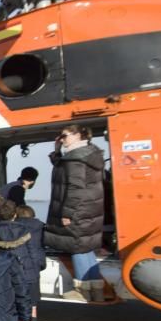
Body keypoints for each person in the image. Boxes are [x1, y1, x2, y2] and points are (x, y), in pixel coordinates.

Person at [44, 124, 106, 302]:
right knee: (86, 249)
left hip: (78, 211)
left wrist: (67, 213)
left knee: (77, 248)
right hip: (89, 210)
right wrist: (56, 150)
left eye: (65, 136)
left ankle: (82, 291)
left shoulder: (76, 159)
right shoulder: (87, 154)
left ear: (79, 135)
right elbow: (61, 165)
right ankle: (97, 290)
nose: (62, 139)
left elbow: (75, 188)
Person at [14, 205, 47, 321]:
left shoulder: (13, 228)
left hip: (16, 271)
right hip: (32, 272)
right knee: (32, 307)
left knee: (13, 305)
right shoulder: (40, 228)